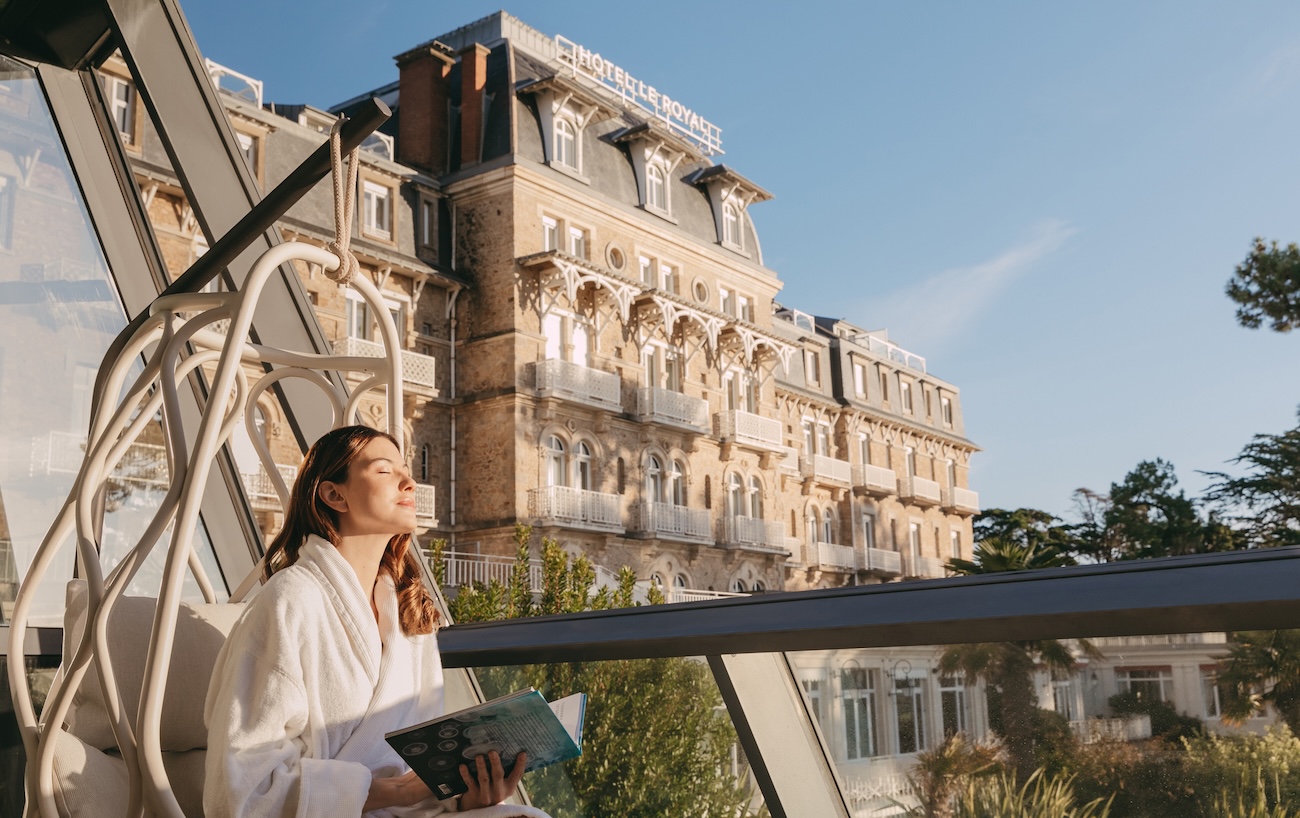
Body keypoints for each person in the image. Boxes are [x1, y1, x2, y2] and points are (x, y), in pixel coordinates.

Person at [204, 425, 544, 817]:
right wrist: (391, 792)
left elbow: (425, 765)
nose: (410, 481)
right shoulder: (290, 601)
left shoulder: (407, 612)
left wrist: (467, 796)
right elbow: (239, 792)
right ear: (334, 494)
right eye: (385, 470)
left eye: (407, 469)